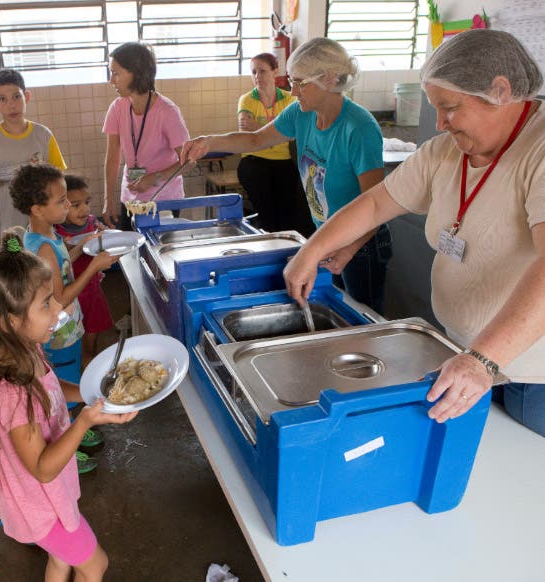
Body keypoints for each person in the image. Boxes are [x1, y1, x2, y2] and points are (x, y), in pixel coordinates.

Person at [283, 29, 545, 436]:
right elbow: (374, 203)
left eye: (450, 107)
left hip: (531, 374)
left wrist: (483, 361)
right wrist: (311, 251)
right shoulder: (446, 151)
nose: (439, 122)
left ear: (501, 91)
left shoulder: (539, 150)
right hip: (465, 355)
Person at [0, 233, 138, 581]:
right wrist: (85, 421)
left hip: (50, 497)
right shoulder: (13, 392)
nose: (58, 308)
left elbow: (54, 393)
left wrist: (91, 395)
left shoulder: (26, 348)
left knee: (62, 560)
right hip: (40, 506)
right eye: (46, 304)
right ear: (9, 321)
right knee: (95, 565)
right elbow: (42, 468)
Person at [182, 38, 391, 314]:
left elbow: (377, 206)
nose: (293, 92)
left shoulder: (359, 128)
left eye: (299, 83)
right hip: (327, 236)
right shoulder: (301, 113)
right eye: (291, 82)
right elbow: (255, 140)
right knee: (334, 311)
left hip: (362, 243)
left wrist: (349, 249)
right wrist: (209, 141)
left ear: (328, 79)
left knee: (361, 316)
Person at [10, 163, 119, 471]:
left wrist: (80, 250)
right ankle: (66, 445)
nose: (69, 205)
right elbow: (58, 297)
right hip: (57, 329)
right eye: (61, 201)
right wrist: (94, 267)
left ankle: (74, 430)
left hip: (63, 324)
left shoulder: (45, 235)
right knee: (64, 385)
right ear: (37, 209)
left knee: (68, 381)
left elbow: (59, 270)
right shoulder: (42, 247)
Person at [102, 42, 190, 230]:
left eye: (116, 73)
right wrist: (108, 201)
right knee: (130, 256)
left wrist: (155, 177)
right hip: (130, 199)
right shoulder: (117, 108)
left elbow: (189, 160)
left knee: (155, 256)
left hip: (164, 200)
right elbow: (112, 158)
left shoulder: (167, 111)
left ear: (135, 72)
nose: (111, 80)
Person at [0, 69, 67, 232]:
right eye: (2, 99)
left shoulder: (43, 134)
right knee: (14, 256)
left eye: (16, 97)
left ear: (26, 96)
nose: (11, 105)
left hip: (44, 222)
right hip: (10, 225)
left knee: (45, 256)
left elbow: (59, 175)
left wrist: (42, 173)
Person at [237, 52, 314, 237]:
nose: (257, 76)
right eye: (254, 72)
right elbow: (245, 131)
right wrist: (278, 132)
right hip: (254, 160)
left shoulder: (289, 99)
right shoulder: (247, 99)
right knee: (268, 215)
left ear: (275, 72)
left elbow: (294, 134)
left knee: (288, 215)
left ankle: (286, 250)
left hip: (282, 161)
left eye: (262, 71)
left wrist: (261, 129)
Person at [56, 174, 113, 366]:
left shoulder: (90, 223)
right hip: (73, 295)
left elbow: (102, 245)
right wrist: (72, 247)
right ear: (62, 205)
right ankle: (82, 366)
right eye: (76, 205)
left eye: (87, 202)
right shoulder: (57, 233)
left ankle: (90, 360)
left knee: (93, 331)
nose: (85, 209)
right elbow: (61, 263)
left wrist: (104, 235)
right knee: (76, 338)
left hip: (93, 290)